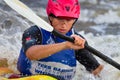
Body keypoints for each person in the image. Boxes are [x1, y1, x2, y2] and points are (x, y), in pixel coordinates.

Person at [17, 0, 103, 80]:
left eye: (69, 19)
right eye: (60, 18)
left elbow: (96, 70)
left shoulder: (77, 41)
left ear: (74, 20)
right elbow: (31, 54)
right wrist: (65, 45)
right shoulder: (34, 32)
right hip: (28, 77)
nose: (64, 24)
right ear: (51, 17)